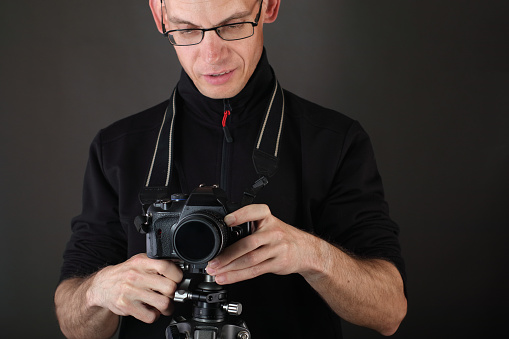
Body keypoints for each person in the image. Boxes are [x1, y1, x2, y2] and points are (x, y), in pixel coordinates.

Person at [54, 0, 407, 338]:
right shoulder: (116, 147)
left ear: (268, 6)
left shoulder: (337, 141)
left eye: (233, 25)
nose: (211, 55)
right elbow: (73, 325)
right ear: (160, 16)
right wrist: (97, 292)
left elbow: (389, 311)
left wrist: (312, 255)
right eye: (187, 29)